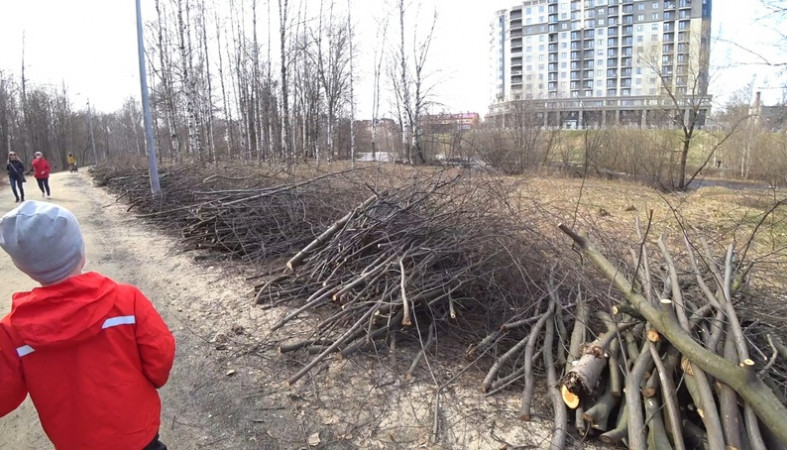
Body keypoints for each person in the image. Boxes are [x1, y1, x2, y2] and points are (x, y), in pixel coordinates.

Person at [0, 201, 175, 450]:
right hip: (137, 433)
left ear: (23, 267)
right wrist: (151, 382)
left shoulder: (12, 332)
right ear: (81, 252)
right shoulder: (126, 300)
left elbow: (3, 397)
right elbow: (160, 356)